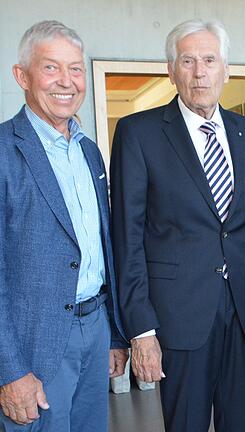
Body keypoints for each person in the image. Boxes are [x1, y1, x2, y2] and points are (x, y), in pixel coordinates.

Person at [110, 19, 245, 432]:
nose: (200, 72)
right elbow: (127, 239)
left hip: (244, 315)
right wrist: (141, 329)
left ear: (226, 69)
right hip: (178, 320)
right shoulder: (138, 133)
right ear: (171, 69)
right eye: (188, 61)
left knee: (243, 424)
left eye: (209, 60)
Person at [0, 20, 128, 432]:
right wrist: (10, 370)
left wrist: (112, 334)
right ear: (22, 76)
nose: (67, 82)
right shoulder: (4, 151)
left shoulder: (89, 152)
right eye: (51, 68)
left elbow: (101, 246)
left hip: (94, 330)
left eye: (76, 69)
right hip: (33, 347)